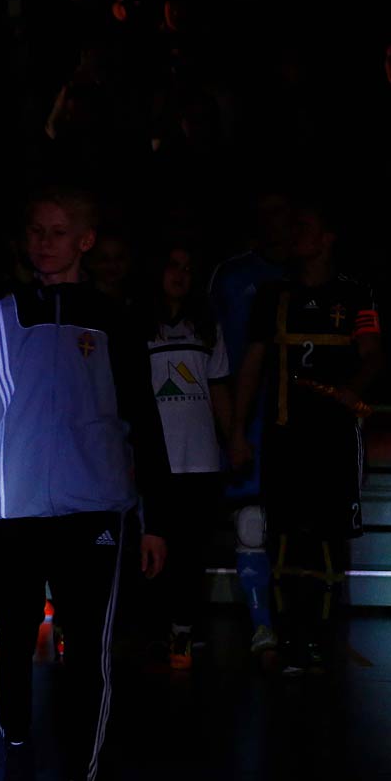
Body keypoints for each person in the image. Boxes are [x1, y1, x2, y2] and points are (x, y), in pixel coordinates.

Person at [0, 189, 169, 781]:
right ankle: (17, 752)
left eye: (59, 232)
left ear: (85, 241)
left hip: (95, 509)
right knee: (10, 638)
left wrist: (155, 519)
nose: (44, 242)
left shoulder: (114, 321)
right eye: (36, 231)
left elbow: (141, 424)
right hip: (12, 509)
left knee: (88, 649)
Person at [228, 203, 381, 676]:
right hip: (283, 438)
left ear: (329, 237)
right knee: (284, 538)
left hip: (334, 439)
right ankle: (289, 635)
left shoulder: (357, 294)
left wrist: (352, 390)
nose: (295, 234)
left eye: (306, 225)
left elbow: (373, 354)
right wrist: (236, 430)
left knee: (330, 539)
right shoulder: (274, 294)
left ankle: (322, 636)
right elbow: (253, 365)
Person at [207, 192, 290, 655]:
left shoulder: (311, 277)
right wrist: (232, 427)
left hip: (302, 424)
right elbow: (216, 357)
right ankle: (263, 628)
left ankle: (303, 630)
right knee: (252, 523)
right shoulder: (233, 276)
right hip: (248, 421)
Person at [145, 244, 232, 668]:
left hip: (200, 459)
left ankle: (184, 629)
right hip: (156, 459)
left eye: (187, 267)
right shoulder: (139, 324)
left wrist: (233, 437)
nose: (180, 274)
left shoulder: (206, 327)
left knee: (191, 552)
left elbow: (218, 386)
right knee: (153, 550)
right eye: (172, 265)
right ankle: (154, 629)